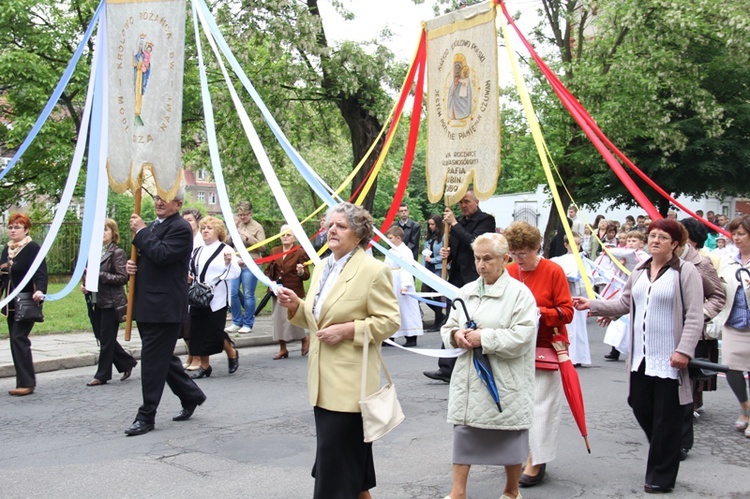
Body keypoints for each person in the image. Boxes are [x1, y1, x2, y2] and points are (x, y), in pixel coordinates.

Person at [276, 202, 400, 499]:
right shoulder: (322, 267)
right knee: (348, 470)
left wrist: (349, 330)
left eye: (341, 226)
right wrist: (296, 306)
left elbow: (390, 321)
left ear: (358, 236)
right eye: (330, 224)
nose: (333, 230)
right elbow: (318, 319)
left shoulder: (374, 270)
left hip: (350, 389)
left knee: (335, 472)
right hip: (322, 384)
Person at [573, 218, 704, 493]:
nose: (655, 240)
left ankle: (660, 477)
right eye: (652, 235)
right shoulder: (640, 271)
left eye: (663, 237)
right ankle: (665, 448)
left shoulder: (686, 271)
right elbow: (624, 302)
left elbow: (694, 315)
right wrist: (593, 304)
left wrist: (684, 350)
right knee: (639, 403)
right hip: (641, 356)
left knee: (666, 417)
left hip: (670, 358)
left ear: (676, 244)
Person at [440, 233, 537, 499]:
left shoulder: (520, 295)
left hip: (504, 379)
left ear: (505, 259)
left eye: (488, 259)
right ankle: (457, 492)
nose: (481, 265)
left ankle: (511, 490)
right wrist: (455, 336)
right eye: (477, 258)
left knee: (509, 436)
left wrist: (485, 337)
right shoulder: (466, 291)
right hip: (470, 380)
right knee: (464, 435)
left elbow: (522, 337)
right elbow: (448, 327)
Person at [124, 191, 207, 436]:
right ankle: (191, 395)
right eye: (157, 198)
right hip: (147, 304)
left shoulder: (180, 228)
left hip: (165, 307)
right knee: (161, 357)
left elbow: (161, 255)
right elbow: (149, 257)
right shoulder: (152, 226)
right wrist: (134, 265)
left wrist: (140, 232)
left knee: (151, 361)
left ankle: (146, 415)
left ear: (178, 204)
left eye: (165, 199)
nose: (158, 202)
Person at [503, 221, 573, 488]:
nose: (519, 259)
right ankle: (520, 454)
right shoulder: (508, 271)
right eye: (514, 253)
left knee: (542, 406)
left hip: (546, 346)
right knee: (516, 405)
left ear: (536, 248)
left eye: (524, 253)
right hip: (515, 347)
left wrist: (540, 313)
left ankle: (537, 459)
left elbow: (567, 312)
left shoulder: (553, 271)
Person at [424, 189, 496, 383]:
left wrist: (454, 224)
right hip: (457, 279)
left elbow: (475, 244)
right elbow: (458, 248)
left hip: (475, 278)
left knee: (476, 321)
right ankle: (446, 367)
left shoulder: (486, 221)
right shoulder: (457, 224)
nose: (463, 206)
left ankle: (478, 364)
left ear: (477, 201)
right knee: (452, 320)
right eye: (461, 203)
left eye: (467, 202)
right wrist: (448, 254)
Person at [675, 219, 725, 461]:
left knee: (684, 386)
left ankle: (682, 441)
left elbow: (717, 296)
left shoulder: (700, 263)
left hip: (689, 332)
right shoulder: (653, 262)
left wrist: (698, 316)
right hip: (662, 333)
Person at [81, 218, 137, 386]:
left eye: (105, 230)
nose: (102, 233)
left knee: (106, 339)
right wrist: (87, 286)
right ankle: (126, 362)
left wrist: (98, 274)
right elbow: (89, 275)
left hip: (112, 302)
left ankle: (102, 375)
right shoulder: (94, 252)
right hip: (97, 300)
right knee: (102, 336)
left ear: (113, 234)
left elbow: (122, 277)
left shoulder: (116, 252)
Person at [0, 213, 48, 396]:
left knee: (19, 338)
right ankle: (22, 381)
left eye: (17, 227)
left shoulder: (33, 248)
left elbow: (41, 272)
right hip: (10, 304)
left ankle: (28, 383)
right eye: (10, 227)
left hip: (27, 301)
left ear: (26, 230)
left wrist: (40, 290)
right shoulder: (7, 249)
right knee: (15, 340)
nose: (12, 231)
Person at [188, 216, 241, 378]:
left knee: (215, 331)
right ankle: (205, 366)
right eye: (203, 228)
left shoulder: (225, 250)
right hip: (198, 296)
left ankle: (231, 352)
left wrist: (228, 263)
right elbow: (191, 270)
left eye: (209, 228)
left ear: (218, 231)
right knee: (197, 331)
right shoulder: (197, 250)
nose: (205, 231)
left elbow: (235, 273)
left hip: (216, 297)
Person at [714, 215, 750, 439]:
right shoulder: (727, 258)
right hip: (733, 321)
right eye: (733, 234)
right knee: (732, 369)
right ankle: (745, 407)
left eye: (741, 234)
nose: (736, 238)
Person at [265, 225, 310, 359]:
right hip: (277, 290)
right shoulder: (275, 251)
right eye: (283, 234)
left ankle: (304, 339)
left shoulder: (300, 252)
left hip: (293, 290)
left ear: (294, 238)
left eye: (288, 235)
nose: (285, 237)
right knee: (278, 319)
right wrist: (269, 281)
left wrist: (301, 271)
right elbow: (268, 269)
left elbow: (306, 274)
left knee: (294, 318)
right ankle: (283, 348)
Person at [550, 232, 591, 366]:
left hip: (578, 297)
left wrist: (580, 282)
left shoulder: (583, 259)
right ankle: (566, 354)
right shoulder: (559, 260)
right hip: (565, 296)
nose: (576, 247)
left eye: (579, 244)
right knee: (567, 326)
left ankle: (579, 356)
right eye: (573, 244)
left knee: (578, 327)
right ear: (566, 244)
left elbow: (589, 279)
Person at [226, 201, 265, 334]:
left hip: (251, 263)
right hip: (237, 262)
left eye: (245, 215)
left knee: (248, 294)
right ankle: (237, 321)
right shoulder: (238, 224)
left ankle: (248, 323)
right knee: (233, 292)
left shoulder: (257, 227)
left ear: (250, 213)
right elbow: (228, 241)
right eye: (240, 214)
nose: (242, 217)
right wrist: (231, 233)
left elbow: (263, 246)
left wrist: (249, 238)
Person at [385, 226, 423, 347]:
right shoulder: (391, 251)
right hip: (392, 282)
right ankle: (391, 336)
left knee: (406, 310)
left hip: (401, 282)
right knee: (393, 309)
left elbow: (406, 268)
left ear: (398, 238)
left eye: (390, 238)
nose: (388, 240)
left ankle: (411, 336)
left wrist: (404, 285)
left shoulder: (405, 251)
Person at [181, 208, 204, 371]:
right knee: (184, 323)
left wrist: (193, 275)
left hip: (199, 287)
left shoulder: (202, 240)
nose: (187, 223)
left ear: (197, 222)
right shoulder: (183, 238)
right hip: (183, 284)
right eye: (185, 220)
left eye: (190, 220)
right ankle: (191, 354)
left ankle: (197, 356)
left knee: (194, 323)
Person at [422, 214, 445, 331]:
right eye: (429, 224)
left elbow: (444, 256)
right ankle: (441, 316)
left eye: (432, 224)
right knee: (423, 293)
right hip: (428, 269)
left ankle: (438, 322)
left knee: (437, 296)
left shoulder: (443, 238)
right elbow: (424, 254)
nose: (430, 227)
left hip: (438, 269)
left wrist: (432, 260)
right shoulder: (429, 238)